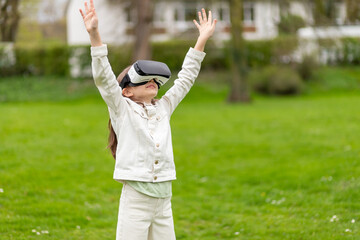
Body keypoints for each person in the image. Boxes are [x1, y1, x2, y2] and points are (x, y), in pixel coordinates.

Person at [79, 0, 217, 239]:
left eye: (156, 80)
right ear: (127, 91)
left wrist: (201, 39)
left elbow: (185, 78)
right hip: (137, 199)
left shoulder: (164, 107)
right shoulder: (122, 109)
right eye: (145, 80)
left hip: (164, 199)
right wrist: (94, 34)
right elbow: (104, 78)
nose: (153, 82)